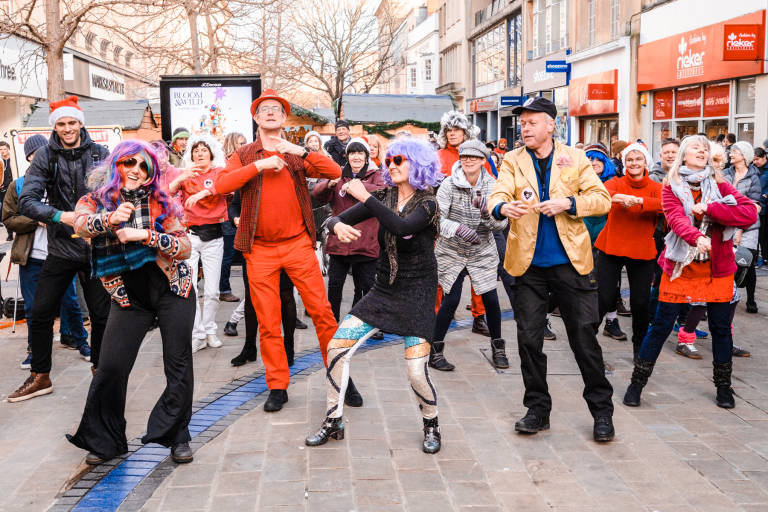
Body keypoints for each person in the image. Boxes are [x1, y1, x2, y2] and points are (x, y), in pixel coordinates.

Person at [214, 89, 359, 413]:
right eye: (263, 109)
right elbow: (222, 185)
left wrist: (299, 151)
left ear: (283, 117)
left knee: (322, 313)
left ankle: (341, 377)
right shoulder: (246, 154)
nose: (269, 112)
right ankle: (277, 385)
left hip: (297, 245)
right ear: (256, 117)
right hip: (260, 250)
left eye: (276, 109)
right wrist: (259, 166)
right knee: (267, 322)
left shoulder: (295, 153)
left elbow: (335, 172)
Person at [305, 137, 444, 453]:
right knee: (338, 346)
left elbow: (400, 226)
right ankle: (333, 420)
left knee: (415, 372)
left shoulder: (429, 203)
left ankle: (431, 422)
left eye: (399, 161)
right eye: (389, 161)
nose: (391, 166)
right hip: (383, 290)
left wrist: (365, 196)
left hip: (418, 294)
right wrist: (336, 225)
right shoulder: (385, 194)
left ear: (417, 164)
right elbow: (335, 216)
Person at [488, 96, 615, 442]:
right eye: (522, 123)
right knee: (528, 340)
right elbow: (496, 194)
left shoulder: (574, 158)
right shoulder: (512, 159)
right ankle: (537, 410)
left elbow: (602, 199)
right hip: (527, 266)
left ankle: (602, 412)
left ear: (550, 125)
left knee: (584, 340)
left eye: (531, 122)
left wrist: (569, 203)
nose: (524, 128)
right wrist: (502, 207)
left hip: (571, 265)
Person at [67, 140, 195, 465]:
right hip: (128, 297)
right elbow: (80, 225)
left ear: (151, 172)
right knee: (110, 367)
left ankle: (178, 436)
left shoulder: (160, 202)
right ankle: (106, 440)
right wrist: (109, 220)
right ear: (116, 165)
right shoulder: (95, 200)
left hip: (171, 289)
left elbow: (183, 248)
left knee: (177, 364)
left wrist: (146, 236)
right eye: (129, 163)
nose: (135, 170)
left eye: (143, 166)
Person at [623, 135, 757, 410]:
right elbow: (676, 219)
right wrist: (696, 237)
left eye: (705, 148)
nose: (702, 150)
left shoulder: (719, 185)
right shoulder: (671, 187)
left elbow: (748, 214)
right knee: (660, 327)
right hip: (680, 269)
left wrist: (711, 208)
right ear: (684, 155)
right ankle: (636, 384)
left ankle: (724, 388)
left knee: (721, 329)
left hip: (717, 270)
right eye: (696, 147)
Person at [8, 96, 111, 403]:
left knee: (102, 314)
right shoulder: (45, 156)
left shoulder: (99, 153)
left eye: (72, 122)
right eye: (62, 123)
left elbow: (114, 192)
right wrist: (59, 216)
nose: (68, 128)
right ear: (56, 126)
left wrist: (101, 220)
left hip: (95, 247)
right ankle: (40, 376)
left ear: (80, 123)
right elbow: (27, 200)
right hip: (61, 247)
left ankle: (101, 372)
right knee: (39, 313)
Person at [432, 140, 508, 371]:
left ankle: (498, 347)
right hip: (452, 249)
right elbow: (437, 218)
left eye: (474, 157)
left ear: (483, 160)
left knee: (491, 298)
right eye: (464, 157)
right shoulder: (448, 184)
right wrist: (457, 229)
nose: (468, 161)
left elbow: (500, 224)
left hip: (481, 250)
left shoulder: (493, 186)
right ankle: (434, 351)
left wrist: (486, 212)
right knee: (451, 298)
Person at [594, 142, 662, 360]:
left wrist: (640, 201)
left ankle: (639, 349)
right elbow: (605, 194)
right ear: (624, 164)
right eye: (629, 160)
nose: (634, 163)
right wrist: (623, 198)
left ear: (645, 163)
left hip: (641, 250)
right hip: (611, 246)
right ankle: (586, 341)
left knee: (640, 303)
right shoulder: (615, 181)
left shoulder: (656, 187)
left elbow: (663, 204)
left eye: (638, 159)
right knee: (603, 298)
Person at [312, 137, 386, 325]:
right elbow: (317, 195)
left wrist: (356, 187)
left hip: (365, 242)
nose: (356, 157)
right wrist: (328, 184)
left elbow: (383, 192)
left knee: (368, 287)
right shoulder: (339, 174)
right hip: (340, 243)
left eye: (360, 152)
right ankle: (332, 321)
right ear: (347, 155)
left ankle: (371, 324)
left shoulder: (376, 174)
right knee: (334, 287)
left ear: (366, 155)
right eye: (352, 152)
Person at [168, 134, 228, 352]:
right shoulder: (186, 174)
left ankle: (210, 330)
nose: (199, 153)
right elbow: (166, 193)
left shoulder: (220, 172)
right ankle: (198, 334)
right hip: (190, 236)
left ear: (211, 152)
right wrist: (180, 177)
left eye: (203, 150)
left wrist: (204, 192)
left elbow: (227, 187)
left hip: (214, 237)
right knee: (190, 288)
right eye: (195, 150)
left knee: (212, 290)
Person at [435, 110, 490, 337]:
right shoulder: (438, 156)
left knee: (478, 274)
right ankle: (437, 316)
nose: (452, 133)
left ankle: (480, 317)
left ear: (466, 132)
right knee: (442, 273)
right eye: (448, 130)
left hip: (475, 222)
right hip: (446, 223)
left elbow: (491, 184)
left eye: (456, 129)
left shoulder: (477, 155)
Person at [582, 143, 625, 342]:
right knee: (577, 281)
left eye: (598, 159)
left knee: (610, 284)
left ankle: (611, 321)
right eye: (590, 159)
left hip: (607, 238)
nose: (594, 163)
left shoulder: (614, 182)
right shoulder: (577, 181)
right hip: (581, 238)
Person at [723, 141, 761, 313]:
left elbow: (753, 205)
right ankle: (726, 296)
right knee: (726, 261)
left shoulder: (754, 177)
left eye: (735, 152)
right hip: (726, 224)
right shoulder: (724, 173)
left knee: (748, 263)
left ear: (744, 156)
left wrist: (740, 229)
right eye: (731, 151)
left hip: (749, 227)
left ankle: (751, 300)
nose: (731, 154)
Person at [219, 132, 247, 303]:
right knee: (227, 254)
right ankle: (224, 289)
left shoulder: (245, 160)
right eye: (240, 143)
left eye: (244, 143)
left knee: (244, 254)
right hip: (227, 213)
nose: (244, 146)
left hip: (243, 211)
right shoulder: (225, 163)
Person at [756, 147, 768, 268]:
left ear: (764, 157)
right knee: (759, 234)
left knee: (764, 235)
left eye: (757, 159)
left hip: (764, 205)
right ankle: (760, 258)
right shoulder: (753, 168)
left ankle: (765, 257)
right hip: (756, 205)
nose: (755, 162)